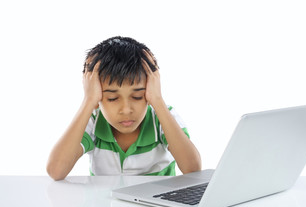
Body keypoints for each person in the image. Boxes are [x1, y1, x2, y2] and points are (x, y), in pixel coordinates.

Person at [47, 36, 201, 180]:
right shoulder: (93, 120)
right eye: (112, 98)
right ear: (98, 95)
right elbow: (56, 171)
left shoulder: (162, 117)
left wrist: (158, 100)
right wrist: (88, 101)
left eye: (137, 96)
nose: (126, 110)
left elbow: (193, 169)